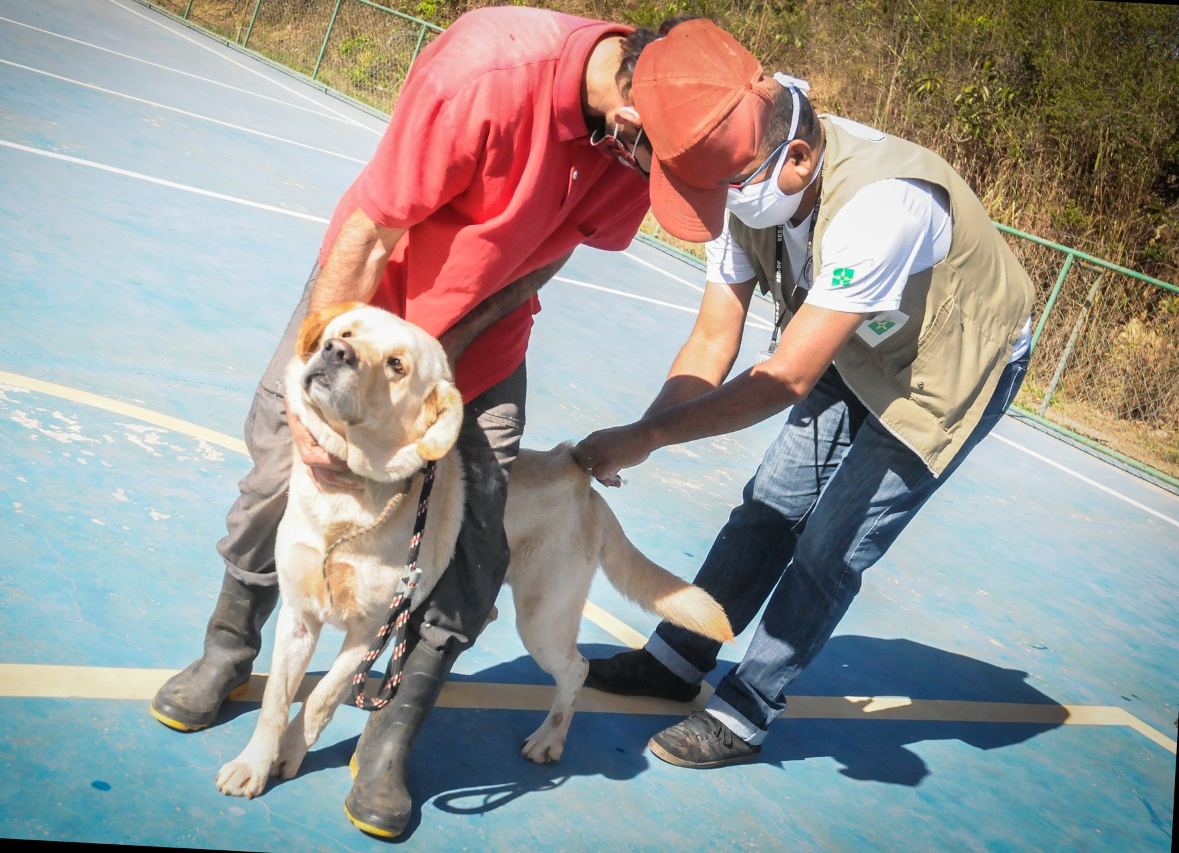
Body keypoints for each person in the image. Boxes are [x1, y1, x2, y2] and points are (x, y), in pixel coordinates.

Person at [149, 5, 711, 839]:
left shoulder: (643, 139)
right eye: (659, 167)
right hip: (366, 307)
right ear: (632, 112)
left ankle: (388, 735)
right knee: (280, 469)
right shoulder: (486, 74)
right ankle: (230, 650)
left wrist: (454, 350)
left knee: (479, 537)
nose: (656, 187)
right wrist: (319, 384)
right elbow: (372, 228)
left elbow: (553, 247)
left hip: (481, 343)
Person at [574, 19, 1035, 770]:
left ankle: (749, 704)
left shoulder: (881, 209)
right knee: (770, 503)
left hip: (947, 364)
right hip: (855, 339)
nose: (713, 205)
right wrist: (642, 429)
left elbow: (786, 375)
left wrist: (646, 438)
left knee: (830, 544)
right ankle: (676, 660)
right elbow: (711, 342)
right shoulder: (732, 170)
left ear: (797, 159)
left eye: (721, 191)